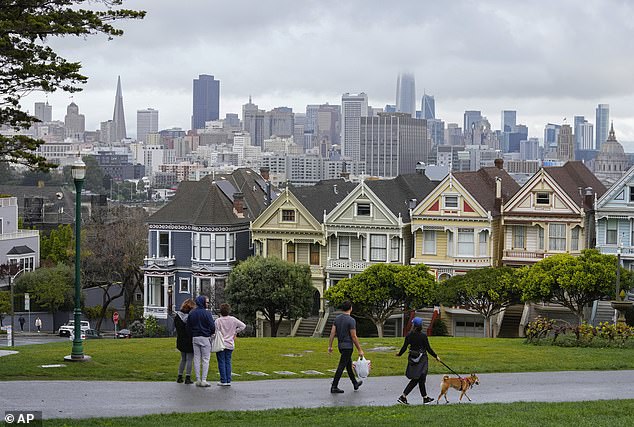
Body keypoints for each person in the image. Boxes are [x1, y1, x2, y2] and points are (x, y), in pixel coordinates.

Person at [396, 317, 440, 405]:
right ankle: (403, 396)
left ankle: (425, 398)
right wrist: (436, 356)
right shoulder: (423, 336)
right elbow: (428, 348)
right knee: (418, 379)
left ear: (413, 325)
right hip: (422, 359)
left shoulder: (409, 335)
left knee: (420, 379)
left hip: (412, 358)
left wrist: (399, 354)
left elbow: (405, 347)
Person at [328, 300, 364, 393]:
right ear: (350, 308)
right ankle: (334, 386)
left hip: (340, 346)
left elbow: (332, 333)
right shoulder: (351, 320)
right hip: (348, 347)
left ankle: (355, 383)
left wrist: (330, 346)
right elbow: (353, 336)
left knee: (348, 365)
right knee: (341, 366)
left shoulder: (337, 319)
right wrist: (360, 349)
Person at [214, 303, 246, 386]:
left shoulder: (218, 321)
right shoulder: (233, 319)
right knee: (228, 361)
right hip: (230, 343)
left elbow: (215, 332)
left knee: (221, 361)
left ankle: (223, 380)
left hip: (221, 343)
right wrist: (235, 332)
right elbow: (243, 326)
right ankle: (228, 380)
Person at [187, 296, 216, 387]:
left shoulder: (192, 313)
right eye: (206, 302)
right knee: (205, 359)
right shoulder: (207, 313)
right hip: (205, 337)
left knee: (196, 358)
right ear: (203, 302)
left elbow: (188, 326)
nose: (207, 304)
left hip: (195, 337)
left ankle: (198, 379)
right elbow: (212, 326)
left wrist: (192, 334)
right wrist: (210, 333)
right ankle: (204, 379)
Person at [174, 298, 196, 385]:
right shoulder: (191, 317)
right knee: (190, 359)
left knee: (183, 359)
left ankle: (179, 376)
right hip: (189, 339)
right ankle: (188, 377)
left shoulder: (177, 316)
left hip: (180, 339)